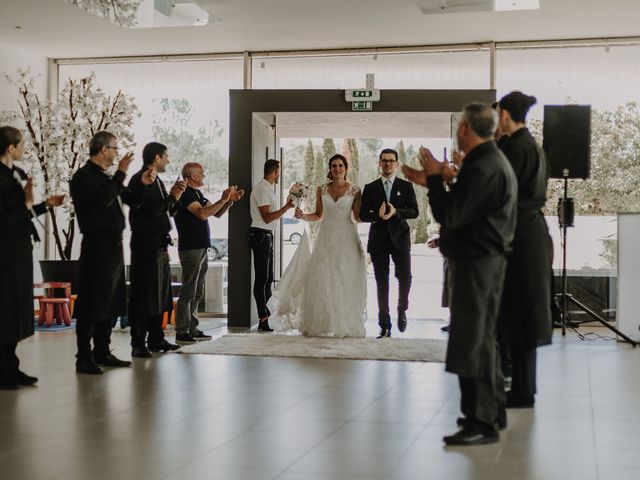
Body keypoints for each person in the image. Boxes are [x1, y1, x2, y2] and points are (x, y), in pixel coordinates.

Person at [403, 103, 517, 446]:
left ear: (465, 129)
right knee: (482, 341)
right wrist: (441, 179)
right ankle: (489, 413)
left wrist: (436, 179)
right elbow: (468, 207)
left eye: (459, 127)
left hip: (478, 264)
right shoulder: (488, 161)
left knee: (473, 341)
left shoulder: (483, 166)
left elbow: (451, 215)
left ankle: (480, 421)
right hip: (483, 262)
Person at [71, 131, 155, 374]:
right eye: (115, 148)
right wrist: (121, 173)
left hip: (114, 245)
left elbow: (132, 199)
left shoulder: (108, 177)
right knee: (93, 300)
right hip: (97, 245)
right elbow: (104, 200)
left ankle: (102, 350)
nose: (118, 153)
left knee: (110, 299)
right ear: (103, 150)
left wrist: (142, 184)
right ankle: (84, 356)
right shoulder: (84, 176)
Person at [269, 154, 367, 337]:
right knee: (325, 280)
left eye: (340, 166)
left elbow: (357, 216)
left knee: (345, 279)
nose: (337, 169)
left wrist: (375, 215)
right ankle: (324, 324)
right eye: (334, 166)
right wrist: (303, 215)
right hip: (326, 238)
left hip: (347, 237)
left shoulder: (355, 191)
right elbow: (318, 215)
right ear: (329, 168)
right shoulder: (321, 189)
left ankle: (344, 324)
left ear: (346, 168)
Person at [497, 91, 553, 408]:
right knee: (518, 311)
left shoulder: (519, 148)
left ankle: (523, 390)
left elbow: (501, 193)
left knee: (522, 310)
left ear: (504, 115)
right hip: (524, 231)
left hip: (521, 234)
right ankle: (521, 387)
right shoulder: (524, 146)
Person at [0, 126, 64, 389]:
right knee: (5, 308)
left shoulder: (16, 174)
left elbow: (21, 214)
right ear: (11, 148)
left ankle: (11, 367)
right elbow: (7, 218)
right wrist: (27, 204)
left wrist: (45, 205)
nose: (24, 148)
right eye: (22, 143)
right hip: (4, 253)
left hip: (19, 251)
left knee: (16, 308)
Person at [174, 162, 243, 344]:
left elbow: (217, 213)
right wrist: (224, 198)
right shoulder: (186, 195)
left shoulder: (198, 193)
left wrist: (229, 201)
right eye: (201, 173)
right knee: (188, 291)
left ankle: (192, 328)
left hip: (202, 247)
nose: (204, 175)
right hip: (190, 248)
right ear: (191, 177)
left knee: (197, 291)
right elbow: (203, 214)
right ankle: (182, 331)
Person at [128, 142, 186, 358]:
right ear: (157, 158)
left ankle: (156, 338)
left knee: (160, 293)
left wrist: (175, 197)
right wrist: (171, 198)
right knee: (145, 293)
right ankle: (138, 342)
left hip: (159, 245)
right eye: (166, 156)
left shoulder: (157, 180)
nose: (168, 160)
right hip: (146, 245)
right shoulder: (142, 180)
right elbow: (153, 210)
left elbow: (167, 210)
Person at [360, 148, 418, 338]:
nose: (387, 164)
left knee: (405, 278)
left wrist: (396, 212)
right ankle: (384, 325)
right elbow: (362, 215)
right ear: (379, 163)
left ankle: (402, 310)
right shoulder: (370, 188)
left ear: (396, 164)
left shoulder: (406, 187)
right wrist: (377, 215)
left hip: (401, 239)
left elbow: (414, 211)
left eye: (391, 161)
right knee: (381, 283)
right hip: (379, 241)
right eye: (384, 161)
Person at [249, 159, 294, 332]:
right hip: (260, 234)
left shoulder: (268, 189)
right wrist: (286, 207)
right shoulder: (261, 189)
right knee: (261, 279)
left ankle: (269, 316)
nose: (279, 175)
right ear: (275, 172)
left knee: (268, 278)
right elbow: (267, 217)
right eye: (279, 171)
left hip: (266, 235)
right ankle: (263, 318)